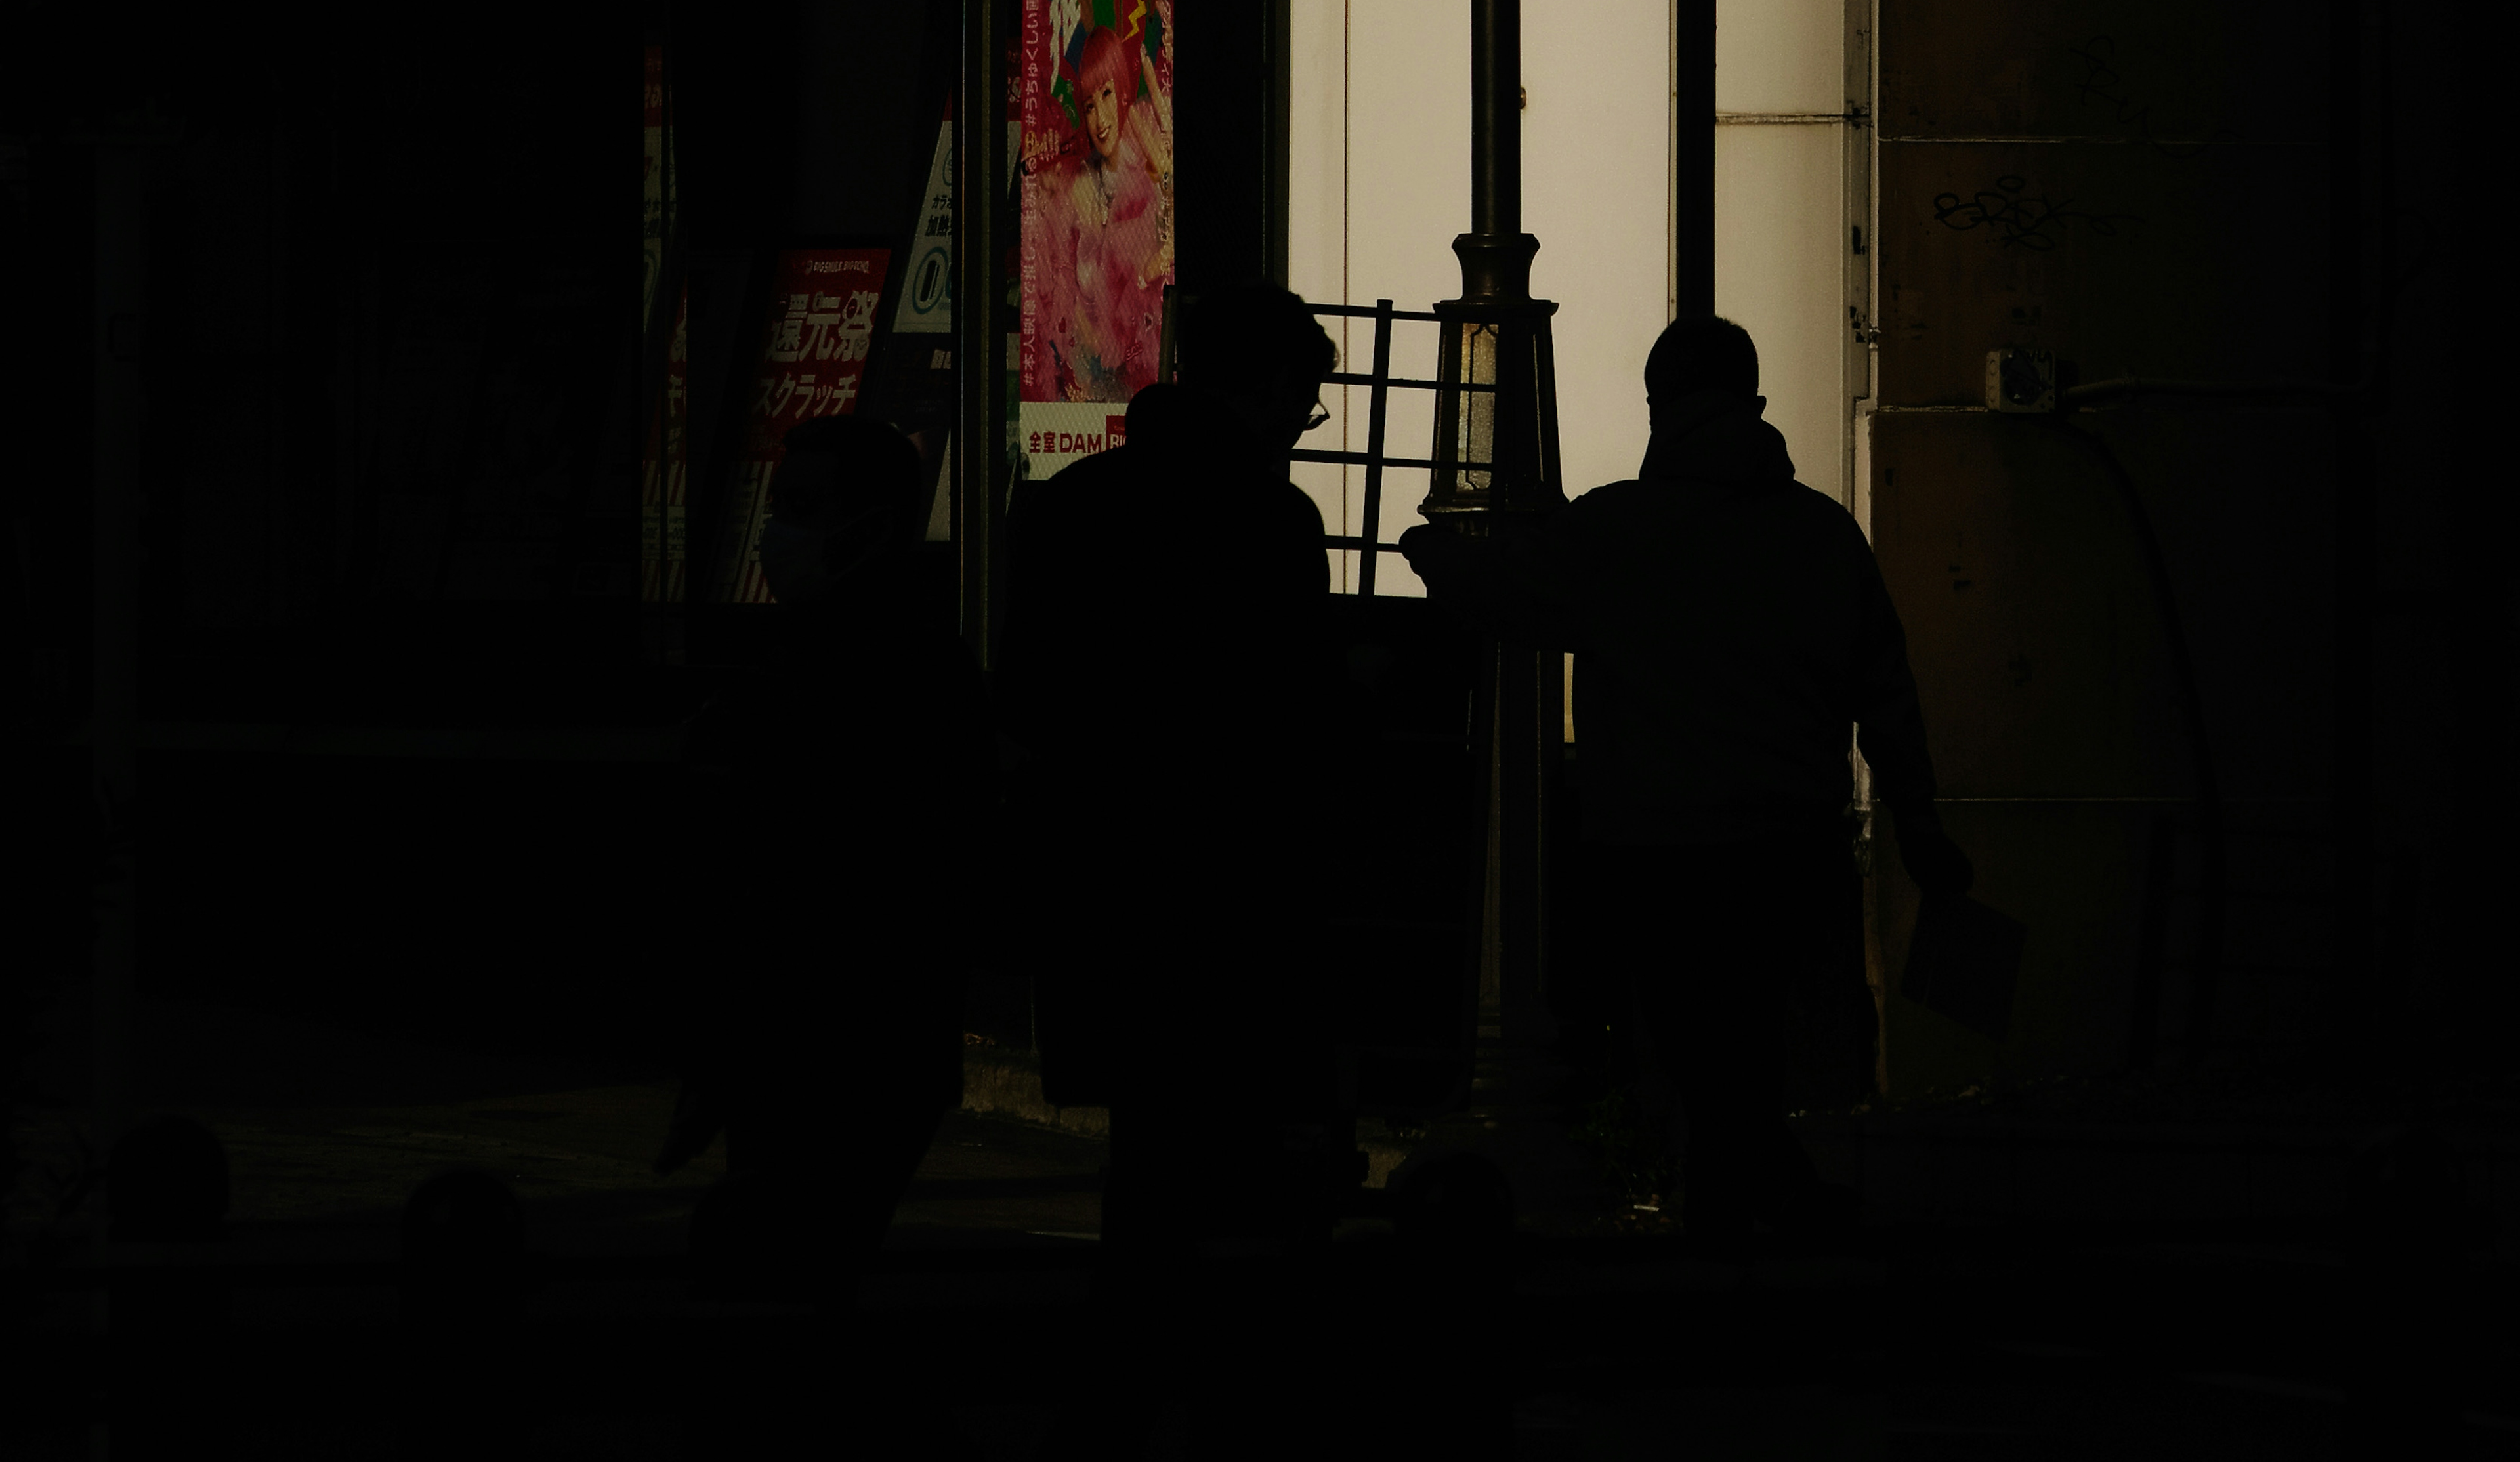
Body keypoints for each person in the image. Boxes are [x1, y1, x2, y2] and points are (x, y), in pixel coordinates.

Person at [1400, 313, 1970, 1248]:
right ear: (1753, 402)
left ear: (1659, 405)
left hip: (1655, 850)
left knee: (1699, 1053)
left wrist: (1438, 554)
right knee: (1753, 1054)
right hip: (1792, 849)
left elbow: (1506, 597)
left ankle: (1754, 1218)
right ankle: (1759, 1218)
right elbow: (1888, 696)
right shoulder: (1822, 535)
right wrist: (1921, 825)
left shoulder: (1618, 526)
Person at [1000, 283, 1346, 1251]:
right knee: (1236, 1148)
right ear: (1272, 384)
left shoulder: (1071, 505)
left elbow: (1027, 697)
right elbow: (1296, 716)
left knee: (1148, 1141)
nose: (1300, 425)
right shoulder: (1273, 520)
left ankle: (1139, 1352)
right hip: (1239, 880)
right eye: (1302, 402)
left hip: (1107, 873)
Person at [663, 412, 990, 1272]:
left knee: (787, 1258)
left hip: (829, 1029)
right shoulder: (881, 652)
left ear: (871, 523)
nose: (778, 530)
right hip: (854, 1032)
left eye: (803, 505)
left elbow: (797, 866)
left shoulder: (858, 664)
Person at [1021, 21, 1173, 406]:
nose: (1100, 118)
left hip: (1146, 384)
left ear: (1122, 90)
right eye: (1089, 105)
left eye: (1106, 94)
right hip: (1090, 388)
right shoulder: (1079, 184)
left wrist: (1148, 271)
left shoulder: (1149, 163)